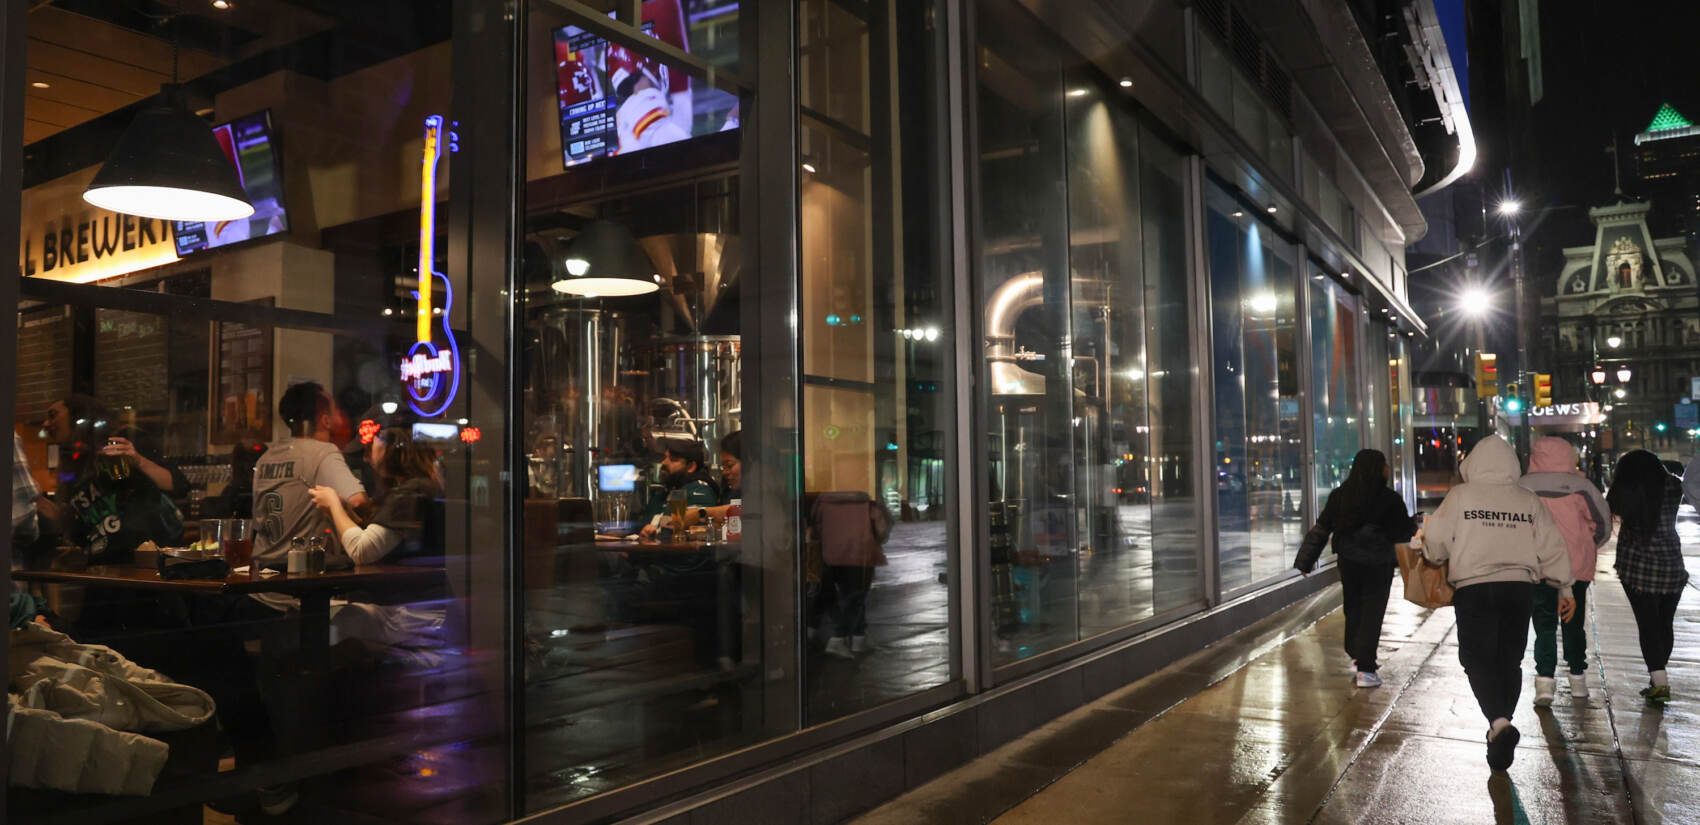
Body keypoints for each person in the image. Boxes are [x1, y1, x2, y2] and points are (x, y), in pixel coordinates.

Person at [1423, 435, 1574, 771]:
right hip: (1520, 589)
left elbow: (1435, 544)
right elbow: (1553, 545)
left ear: (1473, 463)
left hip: (1475, 589)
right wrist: (1565, 588)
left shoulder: (1461, 496)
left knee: (1476, 659)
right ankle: (1499, 732)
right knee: (1509, 660)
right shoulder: (1527, 499)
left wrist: (1434, 552)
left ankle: (1500, 723)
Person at [1311, 449, 1416, 688]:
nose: (1387, 469)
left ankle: (1356, 651)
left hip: (1349, 563)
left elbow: (1322, 528)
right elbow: (1402, 532)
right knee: (1372, 612)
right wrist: (1413, 526)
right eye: (1385, 465)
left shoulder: (1341, 496)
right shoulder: (1389, 499)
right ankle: (1366, 669)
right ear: (1378, 469)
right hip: (1379, 564)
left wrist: (1305, 561)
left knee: (1354, 608)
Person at [1519, 437, 1610, 706]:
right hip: (1575, 566)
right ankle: (1578, 678)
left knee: (1543, 624)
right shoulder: (1582, 487)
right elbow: (1603, 523)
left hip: (1538, 565)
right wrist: (1588, 545)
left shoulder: (1523, 486)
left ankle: (1545, 682)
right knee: (1574, 622)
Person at [252, 382, 369, 569]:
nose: (341, 415)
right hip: (299, 581)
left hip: (261, 578)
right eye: (336, 410)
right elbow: (358, 501)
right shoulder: (323, 452)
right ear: (326, 421)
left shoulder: (266, 458)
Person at [1607, 449, 1688, 704]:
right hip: (1671, 566)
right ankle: (1657, 678)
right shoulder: (1674, 486)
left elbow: (1613, 511)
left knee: (1648, 625)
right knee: (1664, 624)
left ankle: (1659, 680)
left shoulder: (1626, 490)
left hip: (1637, 568)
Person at [41, 394, 189, 497]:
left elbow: (178, 485)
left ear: (77, 415)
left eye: (53, 415)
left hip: (142, 540)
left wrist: (138, 461)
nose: (45, 424)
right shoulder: (72, 456)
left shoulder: (122, 440)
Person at [637, 437, 718, 539]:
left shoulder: (699, 490)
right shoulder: (665, 493)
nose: (664, 463)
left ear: (691, 467)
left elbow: (695, 535)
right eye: (665, 458)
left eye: (673, 459)